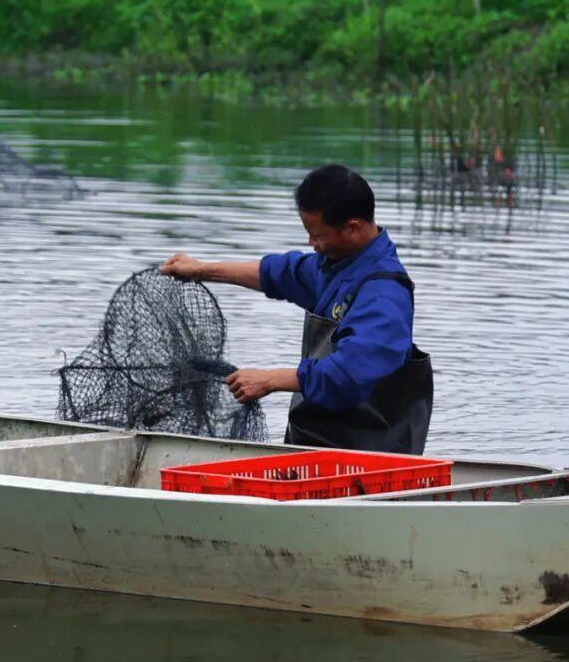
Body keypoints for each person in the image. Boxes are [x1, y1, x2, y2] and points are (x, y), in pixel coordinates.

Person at [160, 163, 433, 454]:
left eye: (316, 234)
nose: (311, 243)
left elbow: (347, 375)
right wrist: (202, 270)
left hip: (371, 456)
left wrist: (270, 380)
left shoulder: (384, 295)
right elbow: (280, 273)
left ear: (352, 228)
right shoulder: (338, 265)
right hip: (318, 441)